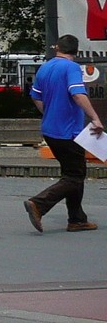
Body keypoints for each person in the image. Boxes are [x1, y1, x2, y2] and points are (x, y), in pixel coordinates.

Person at [25, 34, 102, 232]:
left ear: (57, 47)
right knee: (75, 175)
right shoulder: (71, 67)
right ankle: (38, 204)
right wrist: (95, 118)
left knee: (73, 172)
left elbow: (35, 96)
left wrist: (49, 112)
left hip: (50, 129)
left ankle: (76, 219)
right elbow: (77, 93)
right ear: (76, 51)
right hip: (68, 131)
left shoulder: (45, 67)